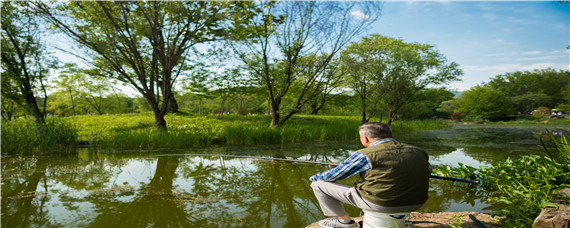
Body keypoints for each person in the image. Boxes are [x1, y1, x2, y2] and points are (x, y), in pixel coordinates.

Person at [309, 122, 431, 228]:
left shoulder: (365, 154)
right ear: (391, 136)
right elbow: (427, 171)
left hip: (381, 204)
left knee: (318, 185)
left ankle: (344, 222)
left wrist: (314, 178)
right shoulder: (419, 151)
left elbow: (334, 175)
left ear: (365, 139)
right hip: (417, 203)